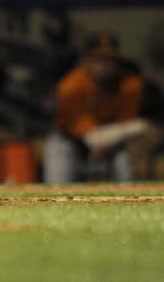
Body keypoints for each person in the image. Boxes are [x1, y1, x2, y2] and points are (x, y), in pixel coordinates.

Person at [43, 32, 155, 183]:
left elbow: (124, 124)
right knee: (58, 187)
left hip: (111, 144)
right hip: (70, 141)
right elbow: (93, 137)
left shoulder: (130, 84)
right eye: (98, 59)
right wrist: (140, 126)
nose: (105, 65)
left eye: (110, 59)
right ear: (86, 61)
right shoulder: (71, 86)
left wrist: (124, 133)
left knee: (124, 165)